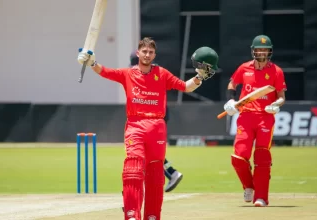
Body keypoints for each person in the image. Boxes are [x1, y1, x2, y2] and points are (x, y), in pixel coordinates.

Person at [78, 37, 218, 220]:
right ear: (138, 53)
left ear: (154, 55)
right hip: (135, 125)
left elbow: (185, 87)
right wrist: (92, 62)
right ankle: (131, 214)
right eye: (144, 51)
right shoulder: (128, 73)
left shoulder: (162, 73)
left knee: (155, 175)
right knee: (133, 169)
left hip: (157, 127)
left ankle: (152, 216)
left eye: (150, 52)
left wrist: (199, 77)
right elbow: (105, 72)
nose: (147, 55)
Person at [223, 35, 287, 207]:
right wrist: (230, 100)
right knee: (238, 157)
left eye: (265, 49)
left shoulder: (276, 71)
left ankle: (261, 197)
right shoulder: (244, 68)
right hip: (245, 116)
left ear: (269, 51)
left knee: (262, 156)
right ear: (253, 50)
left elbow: (281, 96)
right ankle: (249, 186)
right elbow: (232, 84)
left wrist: (276, 104)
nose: (261, 52)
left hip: (266, 118)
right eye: (259, 49)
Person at [129, 51, 183, 193]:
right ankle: (169, 173)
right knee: (149, 151)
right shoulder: (155, 71)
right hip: (158, 115)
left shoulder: (146, 73)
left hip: (152, 116)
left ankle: (169, 174)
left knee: (148, 152)